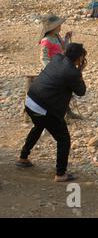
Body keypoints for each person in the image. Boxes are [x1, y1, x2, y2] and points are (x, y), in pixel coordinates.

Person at [16, 43, 87, 182]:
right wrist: (80, 72)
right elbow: (81, 91)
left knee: (38, 126)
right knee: (64, 139)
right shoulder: (72, 72)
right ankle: (61, 174)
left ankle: (23, 157)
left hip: (30, 101)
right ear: (79, 58)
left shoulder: (57, 58)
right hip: (44, 108)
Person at [39, 14, 82, 120]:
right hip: (52, 70)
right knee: (58, 93)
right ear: (52, 27)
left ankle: (68, 112)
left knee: (66, 91)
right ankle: (59, 115)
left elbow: (65, 47)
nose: (60, 27)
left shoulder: (57, 37)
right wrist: (52, 69)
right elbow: (43, 58)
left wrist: (67, 37)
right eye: (58, 25)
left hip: (60, 67)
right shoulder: (46, 40)